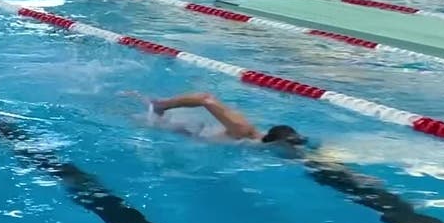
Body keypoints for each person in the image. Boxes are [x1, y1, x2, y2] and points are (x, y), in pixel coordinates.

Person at [126, 90, 308, 148]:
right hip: (183, 129)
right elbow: (205, 98)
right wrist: (163, 106)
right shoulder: (242, 130)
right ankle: (154, 104)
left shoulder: (259, 145)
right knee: (125, 114)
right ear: (276, 143)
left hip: (192, 133)